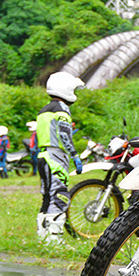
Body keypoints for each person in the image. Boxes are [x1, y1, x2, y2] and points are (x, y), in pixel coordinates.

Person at [36, 72, 84, 243]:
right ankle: (55, 240)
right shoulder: (62, 109)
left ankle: (42, 237)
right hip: (56, 156)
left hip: (43, 155)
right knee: (59, 195)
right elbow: (64, 135)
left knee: (47, 196)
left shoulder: (44, 110)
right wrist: (75, 156)